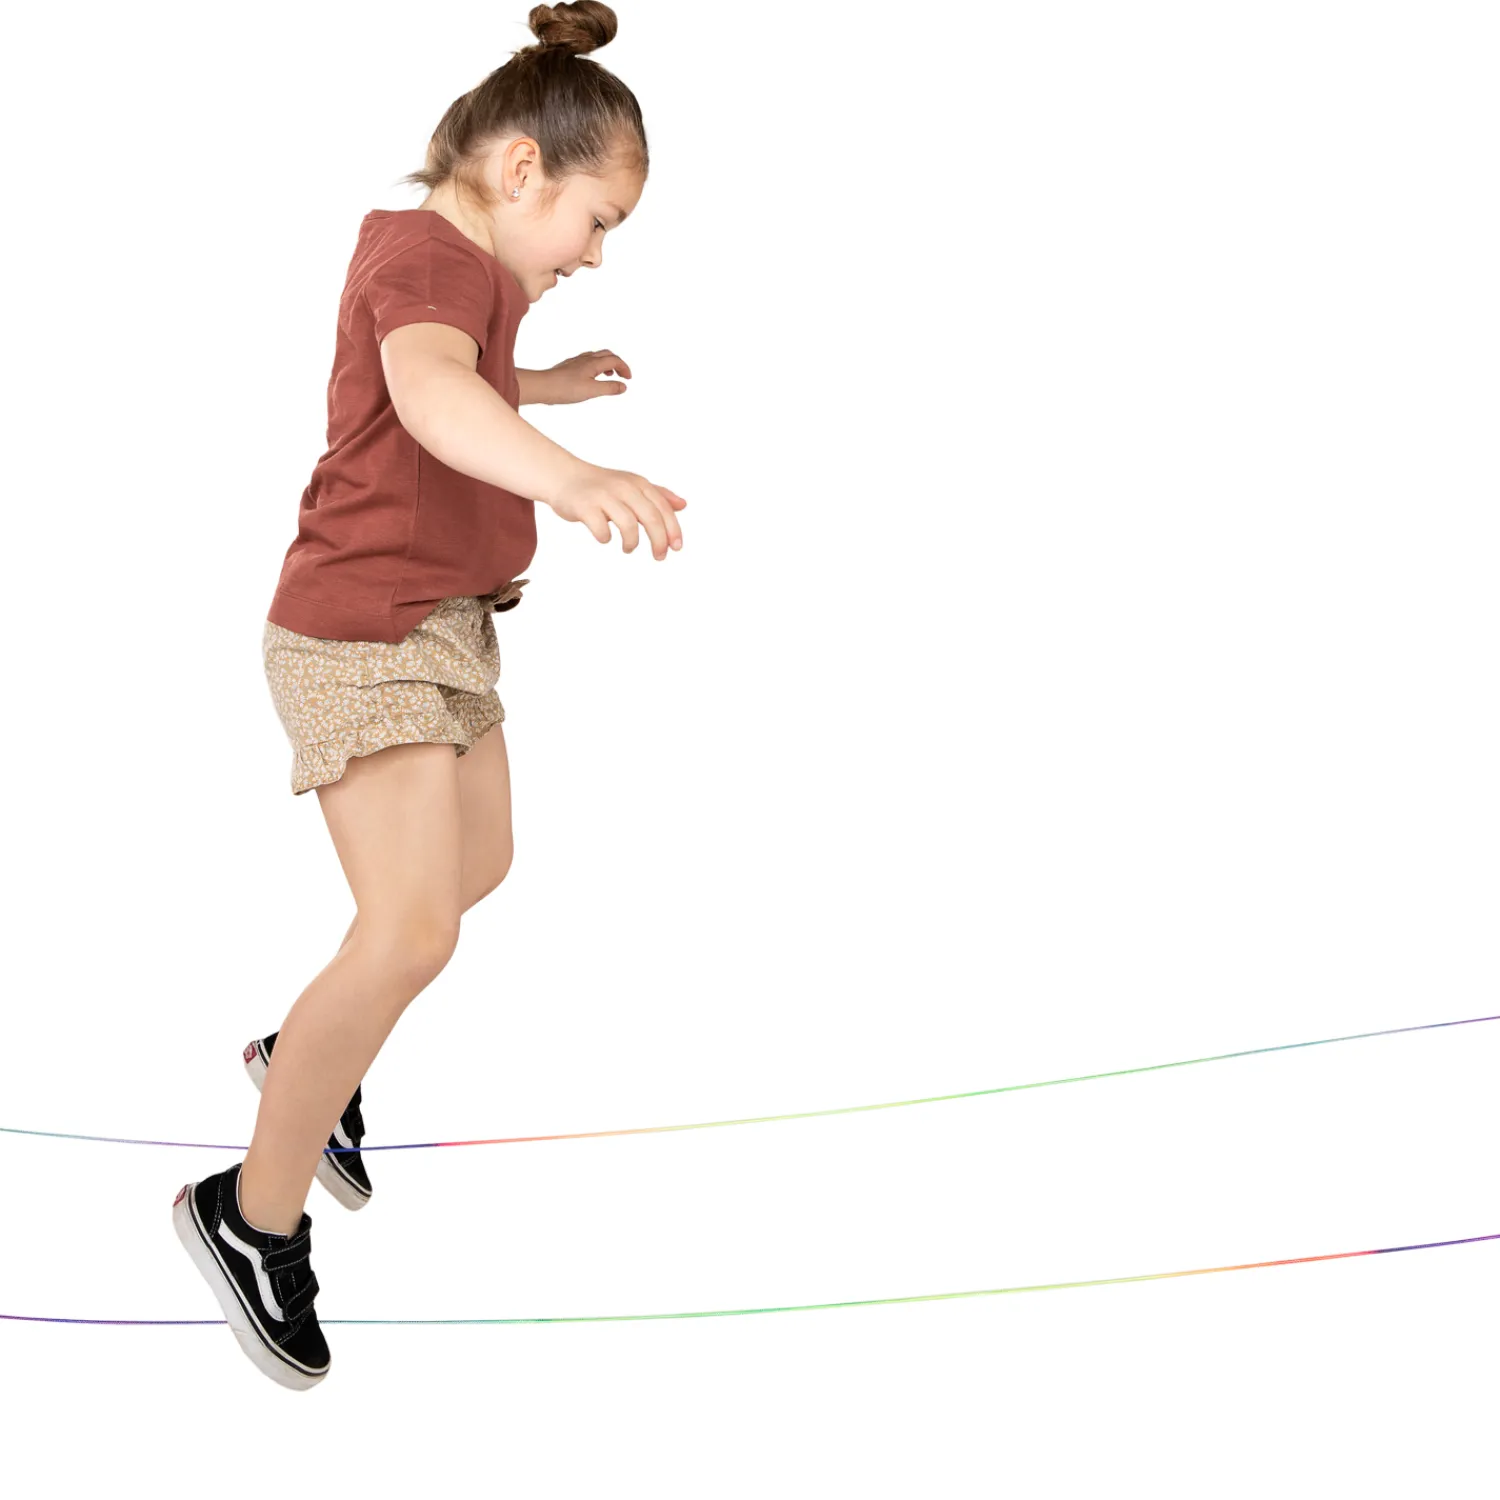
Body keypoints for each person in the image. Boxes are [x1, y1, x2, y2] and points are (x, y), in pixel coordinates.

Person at [171, 0, 685, 1390]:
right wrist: (567, 476)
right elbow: (431, 394)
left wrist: (547, 386)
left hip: (447, 629)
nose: (595, 253)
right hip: (361, 634)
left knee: (477, 867)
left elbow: (468, 371)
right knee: (409, 929)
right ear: (521, 169)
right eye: (597, 221)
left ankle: (304, 1053)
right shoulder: (420, 253)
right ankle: (249, 1212)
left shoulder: (470, 274)